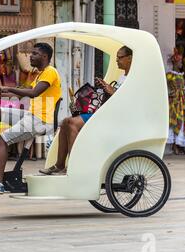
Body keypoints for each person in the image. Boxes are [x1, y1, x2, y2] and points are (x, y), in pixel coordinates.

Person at [0, 43, 62, 194]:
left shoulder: (50, 72)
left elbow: (33, 94)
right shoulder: (40, 74)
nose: (30, 56)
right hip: (31, 115)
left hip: (41, 121)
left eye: (35, 53)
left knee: (2, 140)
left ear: (45, 57)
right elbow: (23, 93)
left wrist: (7, 88)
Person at [39, 46, 133, 175]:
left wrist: (111, 90)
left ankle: (73, 165)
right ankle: (59, 164)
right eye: (116, 57)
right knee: (65, 122)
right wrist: (105, 88)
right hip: (103, 112)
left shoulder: (132, 78)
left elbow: (126, 100)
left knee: (72, 123)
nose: (117, 60)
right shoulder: (123, 76)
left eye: (120, 57)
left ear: (130, 58)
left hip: (112, 117)